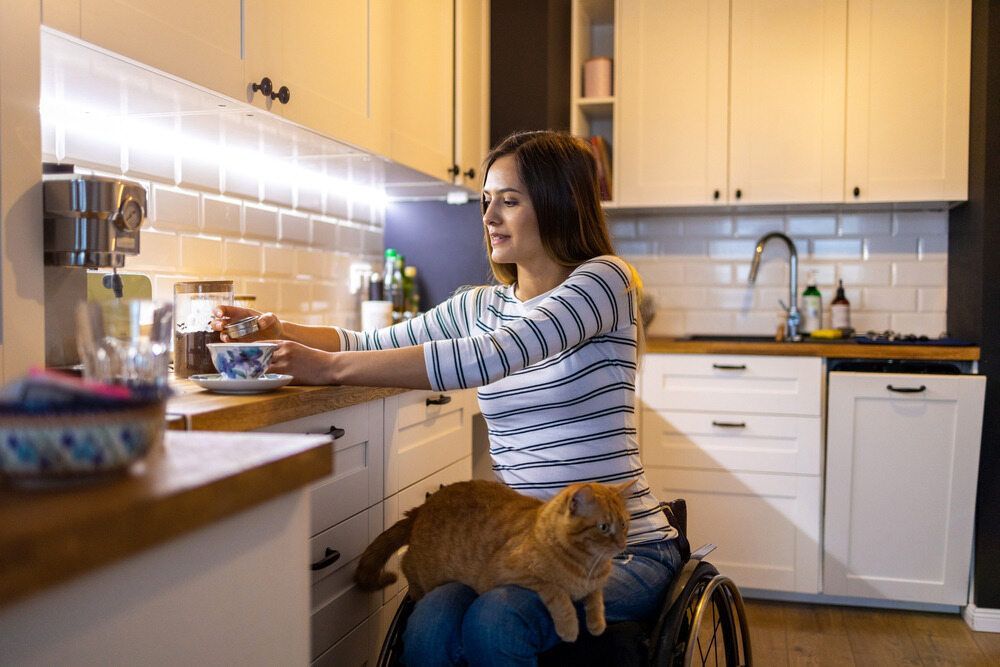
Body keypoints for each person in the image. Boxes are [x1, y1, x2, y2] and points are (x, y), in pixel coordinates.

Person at [211, 130, 681, 666]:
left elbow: (495, 354)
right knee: (432, 621)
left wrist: (328, 367)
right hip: (524, 546)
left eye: (509, 200)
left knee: (496, 619)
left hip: (625, 552)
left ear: (558, 204)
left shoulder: (606, 281)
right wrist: (276, 329)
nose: (489, 217)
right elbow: (367, 343)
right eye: (486, 201)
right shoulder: (478, 305)